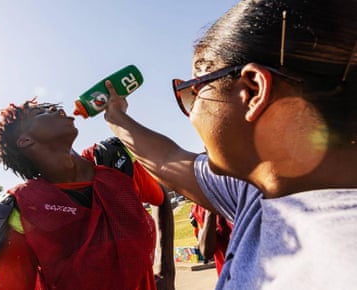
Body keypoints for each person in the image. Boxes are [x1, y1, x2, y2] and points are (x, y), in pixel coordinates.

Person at [103, 0, 357, 289]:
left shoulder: (339, 263)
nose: (191, 114)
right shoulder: (259, 191)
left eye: (195, 91)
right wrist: (116, 117)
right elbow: (168, 159)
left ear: (252, 90)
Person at [0, 99, 173, 290]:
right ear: (25, 141)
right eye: (40, 113)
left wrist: (166, 271)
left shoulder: (114, 160)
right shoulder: (24, 208)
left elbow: (161, 199)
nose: (55, 109)